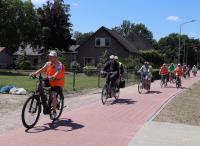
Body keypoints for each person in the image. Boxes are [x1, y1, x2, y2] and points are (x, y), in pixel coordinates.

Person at [30, 50, 65, 120]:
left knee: (53, 95)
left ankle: (54, 111)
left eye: (51, 56)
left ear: (55, 57)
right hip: (50, 80)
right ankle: (41, 96)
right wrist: (35, 73)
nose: (50, 58)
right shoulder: (48, 63)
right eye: (49, 56)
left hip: (57, 82)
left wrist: (54, 76)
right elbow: (43, 69)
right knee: (40, 83)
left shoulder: (59, 64)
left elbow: (58, 71)